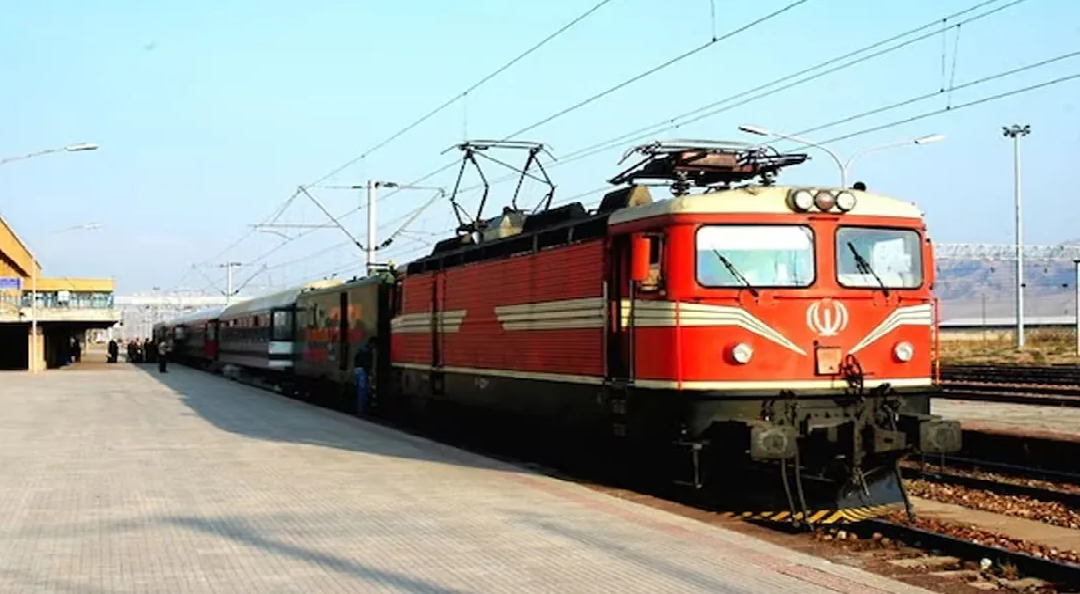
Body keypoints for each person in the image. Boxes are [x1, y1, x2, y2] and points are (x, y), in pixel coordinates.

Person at [353, 336, 376, 416]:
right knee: (363, 392)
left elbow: (356, 359)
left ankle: (360, 410)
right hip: (362, 371)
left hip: (357, 370)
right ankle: (362, 411)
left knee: (360, 391)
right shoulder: (368, 351)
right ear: (372, 343)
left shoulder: (361, 349)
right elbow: (367, 363)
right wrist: (370, 373)